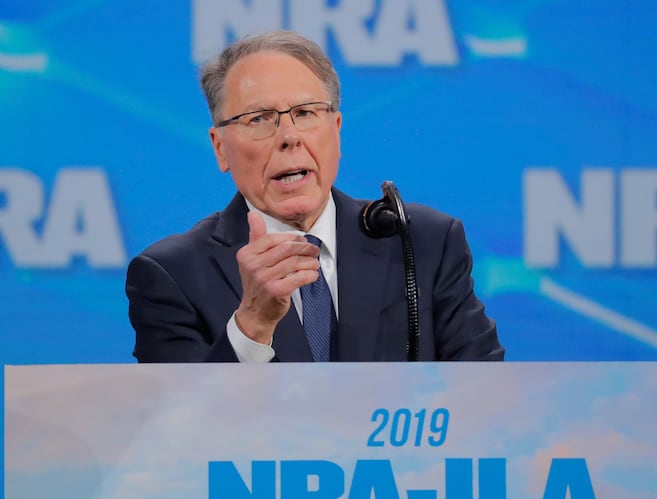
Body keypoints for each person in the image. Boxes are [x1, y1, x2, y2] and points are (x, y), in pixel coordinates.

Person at [125, 30, 504, 363]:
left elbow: (489, 398)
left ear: (336, 129)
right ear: (220, 148)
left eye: (306, 113)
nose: (290, 136)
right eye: (258, 119)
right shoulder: (171, 275)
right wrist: (252, 325)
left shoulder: (422, 242)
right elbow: (177, 428)